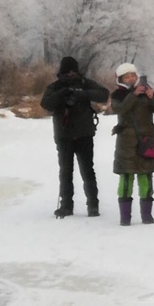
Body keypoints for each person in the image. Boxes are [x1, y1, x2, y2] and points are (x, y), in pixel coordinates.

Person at [39, 56, 110, 219]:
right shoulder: (55, 87)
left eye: (73, 71)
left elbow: (104, 94)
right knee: (65, 171)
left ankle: (93, 205)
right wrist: (62, 94)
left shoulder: (85, 84)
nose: (71, 74)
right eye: (67, 71)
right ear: (62, 72)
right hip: (64, 135)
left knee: (87, 170)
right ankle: (66, 206)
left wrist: (82, 94)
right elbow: (46, 104)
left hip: (84, 134)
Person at [109, 63, 154, 225]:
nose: (131, 79)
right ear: (121, 79)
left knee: (146, 177)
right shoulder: (118, 95)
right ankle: (125, 217)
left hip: (146, 141)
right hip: (126, 144)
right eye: (127, 76)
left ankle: (147, 216)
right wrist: (133, 95)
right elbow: (120, 110)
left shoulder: (145, 92)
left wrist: (152, 96)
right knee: (126, 179)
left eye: (133, 75)